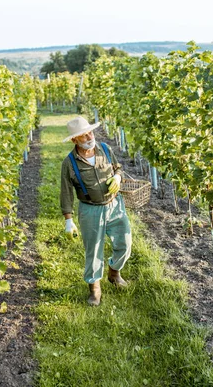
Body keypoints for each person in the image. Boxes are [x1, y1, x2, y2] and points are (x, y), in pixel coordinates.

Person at [60, 116, 132, 306]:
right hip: (90, 210)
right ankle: (94, 288)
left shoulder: (105, 149)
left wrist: (117, 177)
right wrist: (68, 220)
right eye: (84, 136)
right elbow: (66, 193)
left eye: (90, 132)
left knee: (125, 243)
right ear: (75, 140)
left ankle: (114, 272)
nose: (89, 137)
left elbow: (118, 168)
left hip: (115, 205)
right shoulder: (69, 163)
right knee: (93, 251)